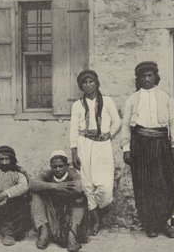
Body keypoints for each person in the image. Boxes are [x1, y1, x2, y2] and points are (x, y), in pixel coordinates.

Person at [121, 61, 174, 238]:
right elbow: (125, 125)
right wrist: (126, 147)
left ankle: (164, 221)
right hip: (140, 144)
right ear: (138, 79)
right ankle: (150, 224)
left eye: (150, 75)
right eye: (143, 76)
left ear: (156, 77)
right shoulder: (132, 99)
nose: (147, 79)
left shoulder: (166, 98)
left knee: (164, 183)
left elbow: (173, 123)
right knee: (144, 183)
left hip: (161, 143)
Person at [70, 70, 121, 235]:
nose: (88, 85)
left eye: (91, 81)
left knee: (105, 187)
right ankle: (96, 221)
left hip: (103, 146)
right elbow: (73, 129)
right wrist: (74, 152)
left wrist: (109, 134)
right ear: (81, 86)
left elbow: (117, 122)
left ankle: (99, 210)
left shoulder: (107, 101)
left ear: (97, 83)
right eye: (84, 82)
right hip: (85, 144)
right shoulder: (77, 105)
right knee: (87, 185)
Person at [30, 150, 88, 252]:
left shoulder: (72, 173)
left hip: (68, 213)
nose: (57, 169)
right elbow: (32, 184)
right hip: (52, 213)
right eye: (54, 166)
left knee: (80, 197)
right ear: (51, 166)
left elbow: (79, 187)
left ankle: (72, 236)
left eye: (61, 166)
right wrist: (55, 186)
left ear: (67, 165)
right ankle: (44, 232)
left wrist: (61, 192)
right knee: (36, 194)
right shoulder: (48, 174)